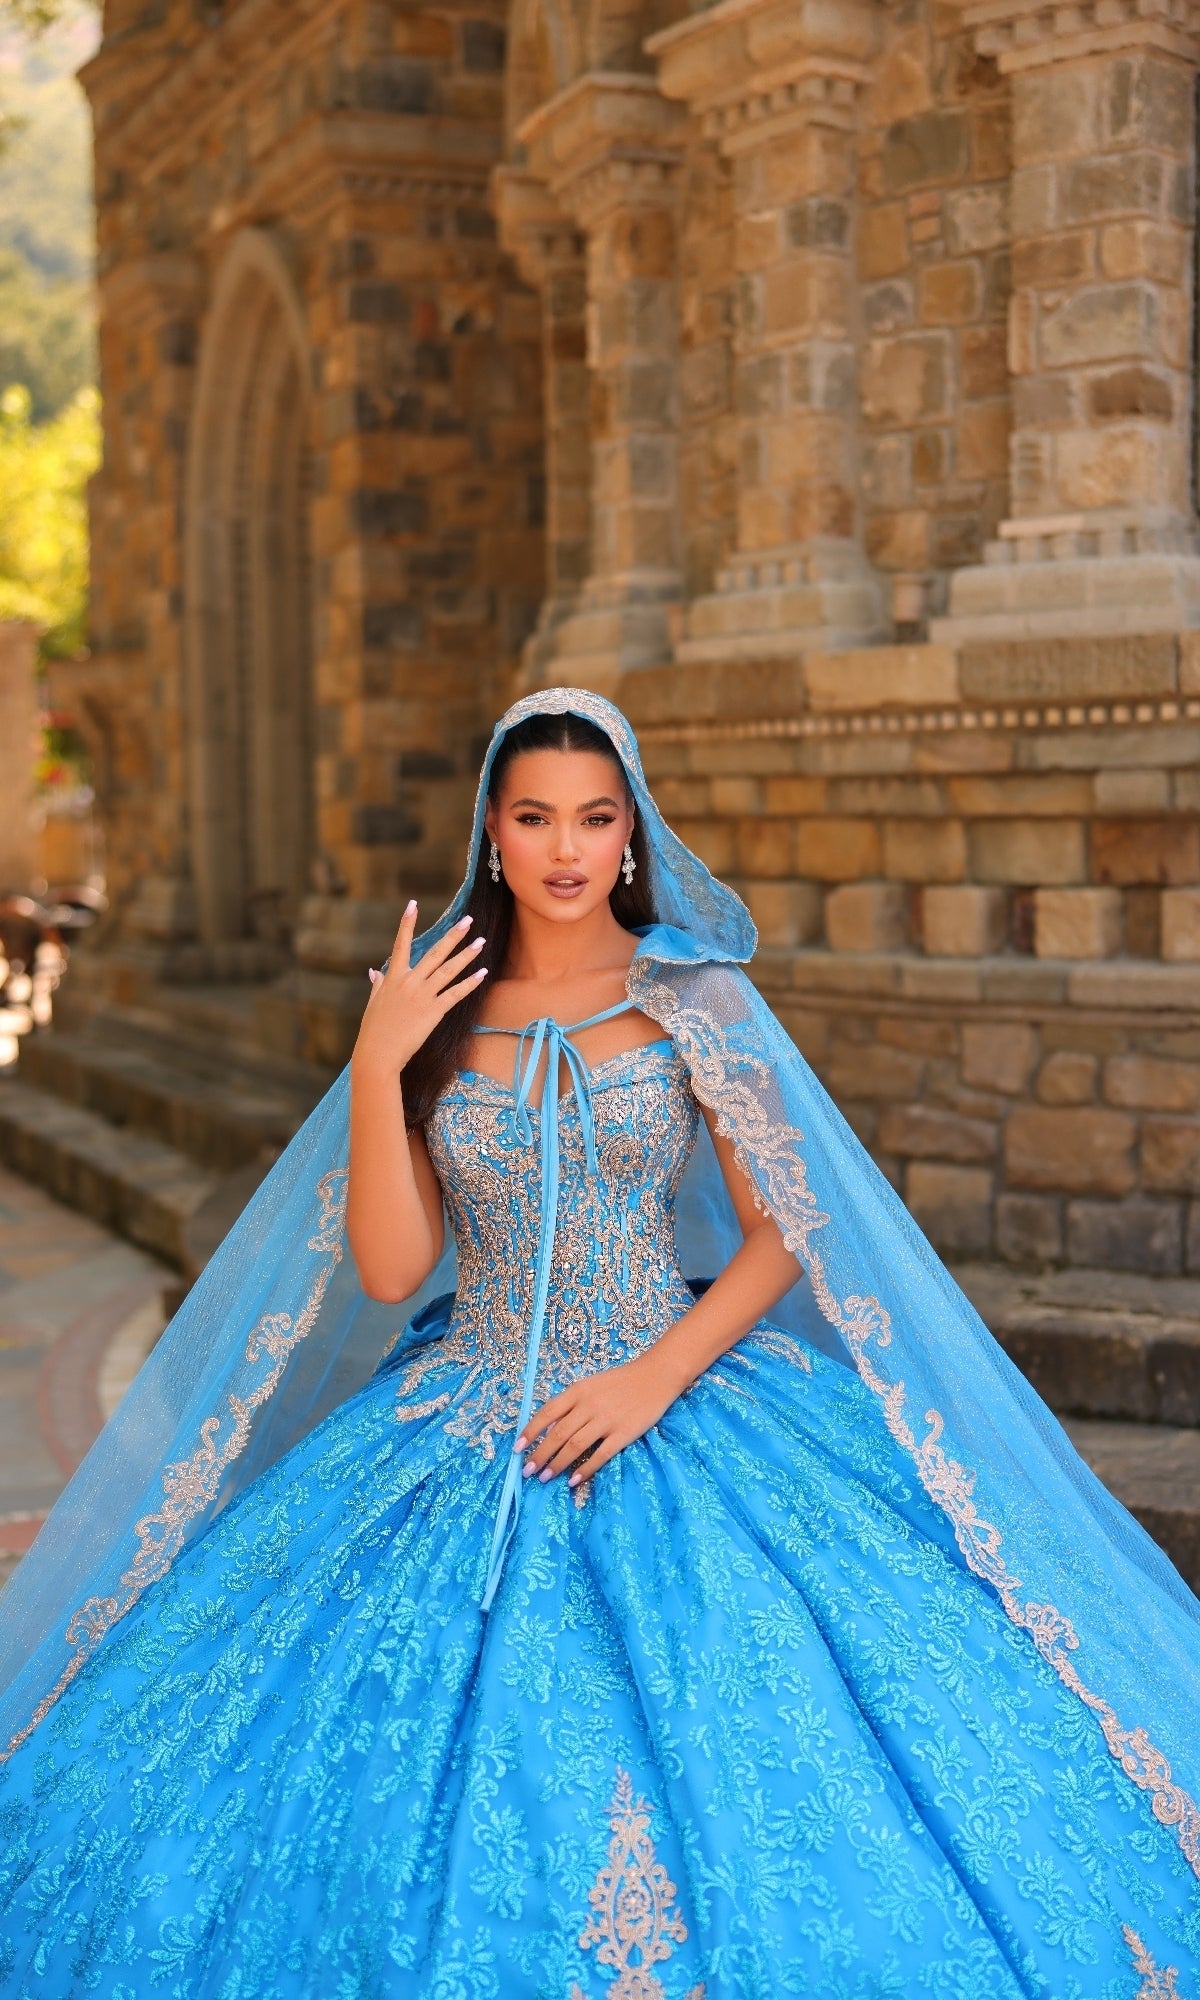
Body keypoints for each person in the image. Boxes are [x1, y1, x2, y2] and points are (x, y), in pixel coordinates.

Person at [1, 689, 1198, 2000]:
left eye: (593, 817)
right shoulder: (439, 1004)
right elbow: (397, 1268)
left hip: (673, 1384)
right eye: (533, 818)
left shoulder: (692, 994)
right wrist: (379, 1056)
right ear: (492, 833)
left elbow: (779, 1232)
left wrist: (651, 1376)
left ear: (630, 832)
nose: (565, 849)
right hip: (463, 1412)